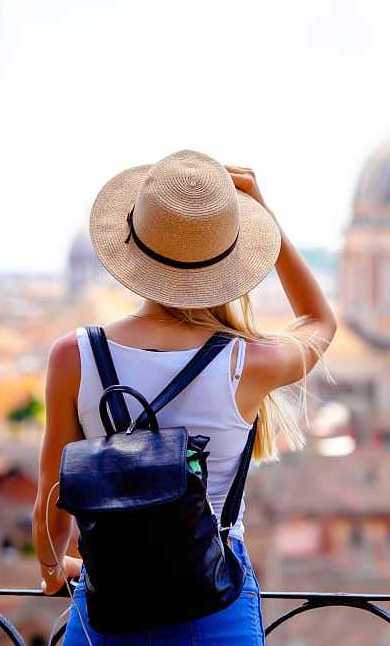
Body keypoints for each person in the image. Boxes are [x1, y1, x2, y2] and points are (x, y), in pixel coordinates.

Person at [32, 149, 336, 645]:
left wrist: (51, 569)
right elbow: (320, 323)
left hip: (108, 607)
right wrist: (270, 226)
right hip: (215, 605)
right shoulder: (246, 363)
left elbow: (52, 502)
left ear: (133, 246)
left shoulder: (74, 355)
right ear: (233, 256)